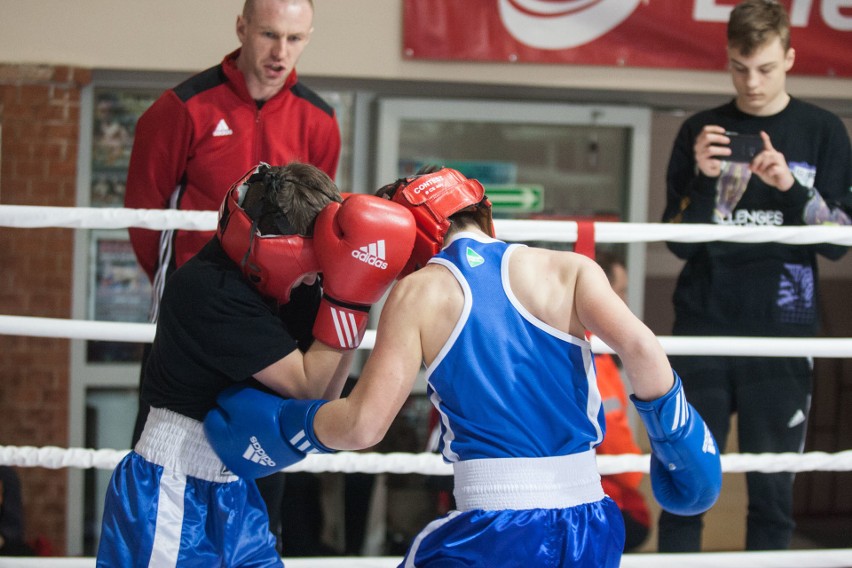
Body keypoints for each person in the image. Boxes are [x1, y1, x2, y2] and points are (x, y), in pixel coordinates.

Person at [204, 167, 723, 567]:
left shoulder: (417, 292)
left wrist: (282, 426)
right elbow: (644, 350)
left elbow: (364, 425)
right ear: (482, 212)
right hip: (591, 520)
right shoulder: (569, 269)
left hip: (494, 528)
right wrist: (677, 441)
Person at [96, 162, 415, 566]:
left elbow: (323, 397)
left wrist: (348, 290)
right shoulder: (209, 290)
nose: (316, 278)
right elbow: (307, 385)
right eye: (313, 266)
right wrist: (350, 300)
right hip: (172, 487)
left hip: (236, 484)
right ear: (282, 251)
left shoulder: (291, 287)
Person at [124, 0, 342, 543]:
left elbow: (317, 219)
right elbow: (145, 217)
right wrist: (192, 295)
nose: (280, 52)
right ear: (241, 27)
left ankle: (253, 546)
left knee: (262, 449)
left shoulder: (318, 118)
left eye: (295, 39)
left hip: (275, 320)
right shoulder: (184, 107)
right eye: (269, 35)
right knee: (170, 434)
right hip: (203, 307)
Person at [659, 0, 852, 552]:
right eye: (740, 68)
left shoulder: (821, 130)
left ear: (789, 58)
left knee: (773, 493)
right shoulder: (702, 129)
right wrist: (701, 178)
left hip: (783, 334)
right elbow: (675, 238)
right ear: (728, 60)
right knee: (687, 487)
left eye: (765, 68)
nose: (752, 82)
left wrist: (791, 187)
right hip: (702, 331)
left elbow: (840, 244)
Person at [594, 251, 651, 553]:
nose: (626, 300)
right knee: (638, 520)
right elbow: (612, 438)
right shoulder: (592, 357)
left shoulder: (571, 347)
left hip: (555, 496)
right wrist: (634, 470)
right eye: (622, 291)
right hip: (596, 499)